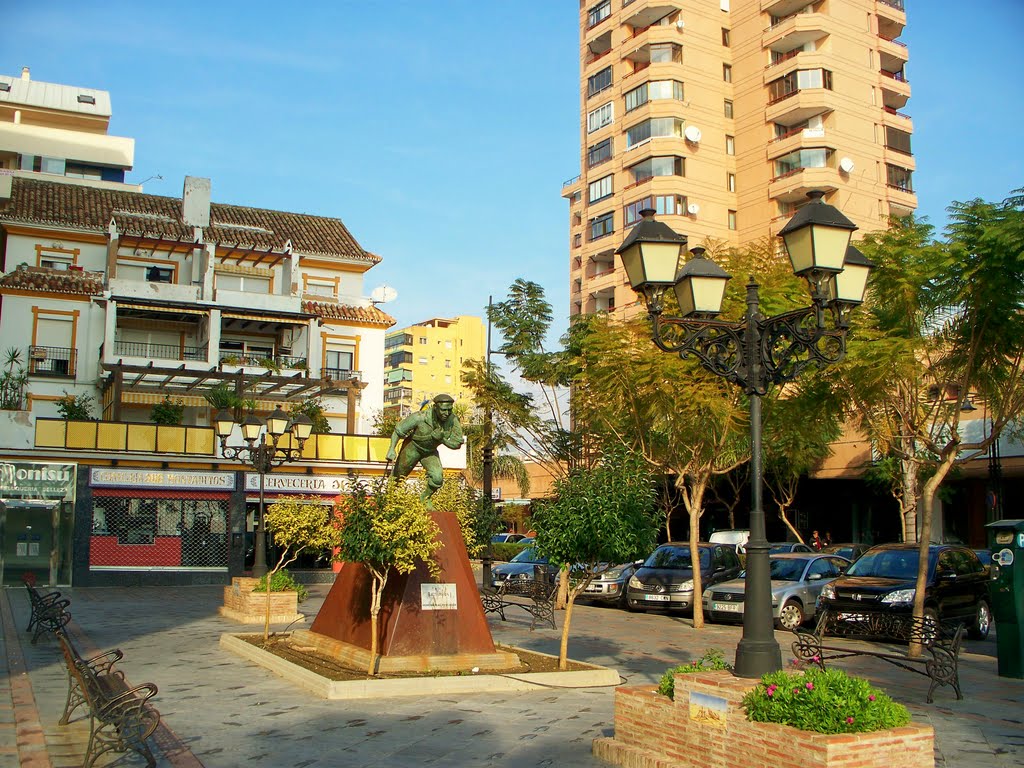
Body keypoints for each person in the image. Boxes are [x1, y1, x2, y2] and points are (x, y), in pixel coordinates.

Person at [385, 394, 464, 508]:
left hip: (430, 452)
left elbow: (457, 444)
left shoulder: (453, 420)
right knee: (397, 478)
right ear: (435, 407)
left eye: (449, 410)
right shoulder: (419, 417)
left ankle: (425, 498)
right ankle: (388, 501)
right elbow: (398, 431)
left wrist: (442, 439)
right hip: (413, 447)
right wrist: (391, 449)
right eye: (443, 410)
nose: (446, 413)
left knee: (437, 479)